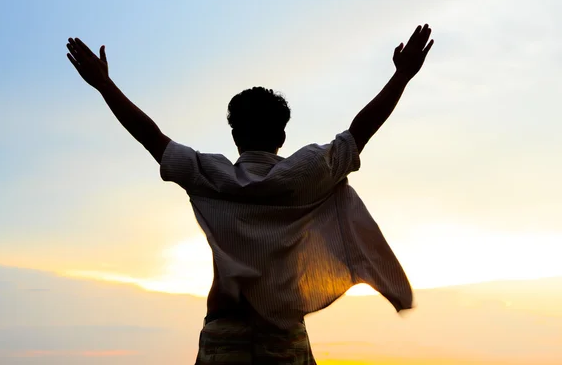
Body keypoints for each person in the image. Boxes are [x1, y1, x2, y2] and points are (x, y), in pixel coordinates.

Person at [66, 24, 434, 364]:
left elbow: (151, 137)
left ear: (234, 135)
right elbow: (360, 131)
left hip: (224, 331)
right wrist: (401, 75)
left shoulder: (211, 174)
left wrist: (104, 85)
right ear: (282, 136)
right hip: (283, 335)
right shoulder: (308, 172)